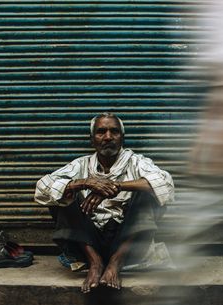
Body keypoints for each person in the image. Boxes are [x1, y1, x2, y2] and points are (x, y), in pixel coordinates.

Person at [34, 113, 174, 293]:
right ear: (92, 139)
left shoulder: (136, 162)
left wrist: (117, 186)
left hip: (128, 244)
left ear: (122, 137)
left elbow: (166, 183)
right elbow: (41, 188)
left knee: (149, 190)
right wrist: (83, 183)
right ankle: (96, 263)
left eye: (114, 131)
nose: (108, 137)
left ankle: (116, 262)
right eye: (101, 132)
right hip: (89, 243)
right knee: (61, 192)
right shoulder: (81, 165)